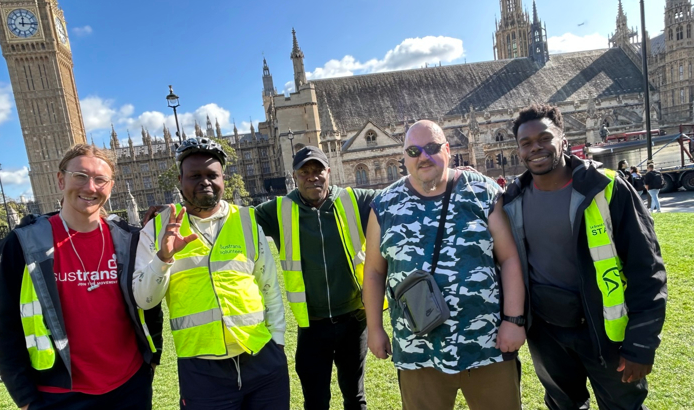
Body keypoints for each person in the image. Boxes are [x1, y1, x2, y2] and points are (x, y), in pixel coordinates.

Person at [502, 104, 667, 410]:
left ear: (563, 139)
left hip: (605, 331)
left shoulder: (606, 188)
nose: (535, 148)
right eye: (525, 143)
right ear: (518, 150)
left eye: (544, 138)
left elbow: (647, 268)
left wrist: (642, 342)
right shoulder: (512, 200)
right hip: (547, 333)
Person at [364, 120, 526, 410]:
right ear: (403, 157)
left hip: (486, 343)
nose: (422, 156)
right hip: (417, 349)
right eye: (413, 150)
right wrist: (374, 327)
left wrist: (513, 321)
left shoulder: (482, 192)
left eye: (431, 148)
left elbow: (509, 257)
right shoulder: (384, 205)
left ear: (448, 150)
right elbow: (375, 272)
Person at [0, 144, 163, 410]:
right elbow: (4, 324)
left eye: (100, 179)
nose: (90, 187)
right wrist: (24, 398)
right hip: (60, 393)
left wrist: (153, 357)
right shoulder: (24, 244)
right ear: (61, 179)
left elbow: (148, 302)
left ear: (111, 185)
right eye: (80, 176)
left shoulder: (129, 239)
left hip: (130, 386)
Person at [133, 137, 289, 410]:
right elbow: (145, 300)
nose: (204, 181)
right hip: (202, 369)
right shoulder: (157, 229)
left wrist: (277, 343)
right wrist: (164, 257)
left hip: (261, 357)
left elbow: (269, 287)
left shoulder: (246, 220)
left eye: (211, 175)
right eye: (194, 175)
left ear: (223, 179)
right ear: (180, 180)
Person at [255, 146, 377, 410]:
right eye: (305, 172)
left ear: (329, 172)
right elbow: (232, 219)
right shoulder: (279, 209)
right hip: (312, 325)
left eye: (318, 170)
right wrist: (178, 211)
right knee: (315, 401)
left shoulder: (353, 199)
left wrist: (452, 175)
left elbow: (398, 195)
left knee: (355, 397)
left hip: (354, 320)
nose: (313, 177)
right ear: (295, 177)